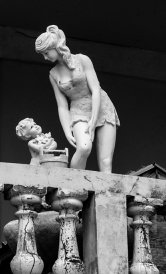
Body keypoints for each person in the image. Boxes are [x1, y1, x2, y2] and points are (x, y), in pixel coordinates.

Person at [35, 25, 119, 172]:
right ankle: (72, 185)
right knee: (84, 147)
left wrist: (93, 119)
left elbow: (95, 90)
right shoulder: (53, 74)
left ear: (55, 47)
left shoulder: (82, 60)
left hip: (102, 106)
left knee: (106, 161)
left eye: (46, 53)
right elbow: (62, 106)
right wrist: (67, 130)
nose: (45, 57)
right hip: (78, 109)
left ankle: (106, 193)